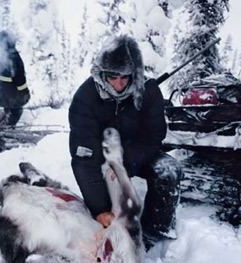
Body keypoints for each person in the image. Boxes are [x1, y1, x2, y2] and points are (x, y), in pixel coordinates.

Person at [69, 35, 182, 249]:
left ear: (134, 75)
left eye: (125, 77)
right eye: (112, 76)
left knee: (169, 170)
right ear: (102, 73)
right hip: (101, 151)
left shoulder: (148, 91)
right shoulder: (85, 97)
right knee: (105, 203)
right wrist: (99, 209)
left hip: (136, 152)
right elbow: (83, 155)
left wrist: (126, 164)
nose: (119, 84)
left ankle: (153, 233)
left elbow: (154, 135)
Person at [0, 31, 30, 126]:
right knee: (17, 109)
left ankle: (2, 123)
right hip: (8, 96)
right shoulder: (13, 56)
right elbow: (20, 78)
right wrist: (25, 93)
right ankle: (7, 128)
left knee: (9, 104)